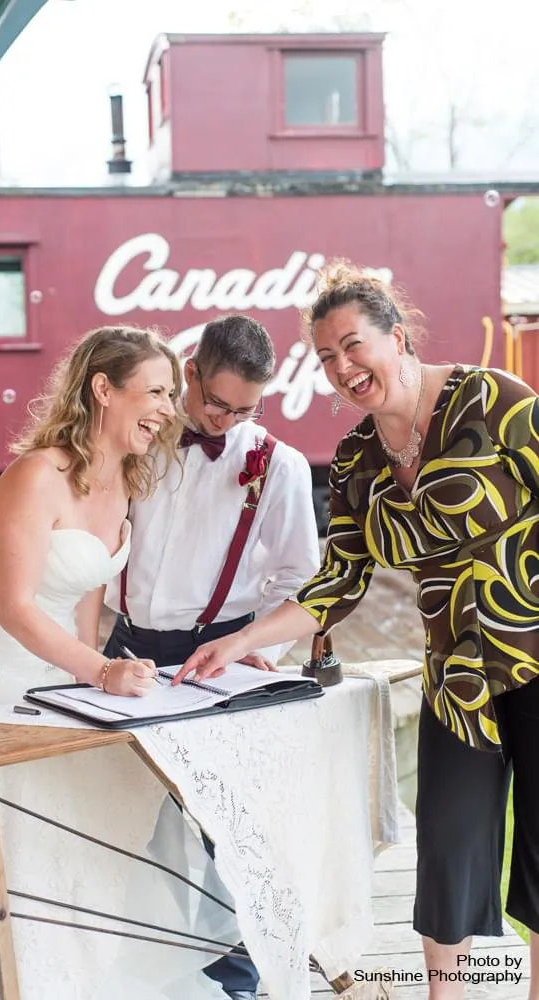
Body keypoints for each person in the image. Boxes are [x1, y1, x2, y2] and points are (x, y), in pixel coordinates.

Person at [177, 265, 539, 1000]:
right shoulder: (356, 462)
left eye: (353, 346)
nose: (343, 368)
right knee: (448, 844)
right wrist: (239, 642)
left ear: (396, 338)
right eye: (326, 358)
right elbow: (335, 583)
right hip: (457, 680)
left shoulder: (495, 401)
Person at [0, 327, 240, 1000]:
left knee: (84, 829)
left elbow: (81, 613)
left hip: (45, 677)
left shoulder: (125, 482)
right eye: (156, 391)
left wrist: (94, 680)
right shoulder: (35, 476)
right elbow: (14, 607)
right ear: (104, 389)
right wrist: (99, 674)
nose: (169, 408)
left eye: (171, 393)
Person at [104, 313, 321, 1000]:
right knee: (133, 818)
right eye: (215, 403)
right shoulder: (138, 441)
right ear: (188, 370)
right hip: (126, 650)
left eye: (244, 409)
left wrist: (262, 647)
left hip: (214, 659)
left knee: (222, 824)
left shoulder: (276, 466)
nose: (225, 421)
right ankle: (149, 965)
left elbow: (299, 577)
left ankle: (235, 979)